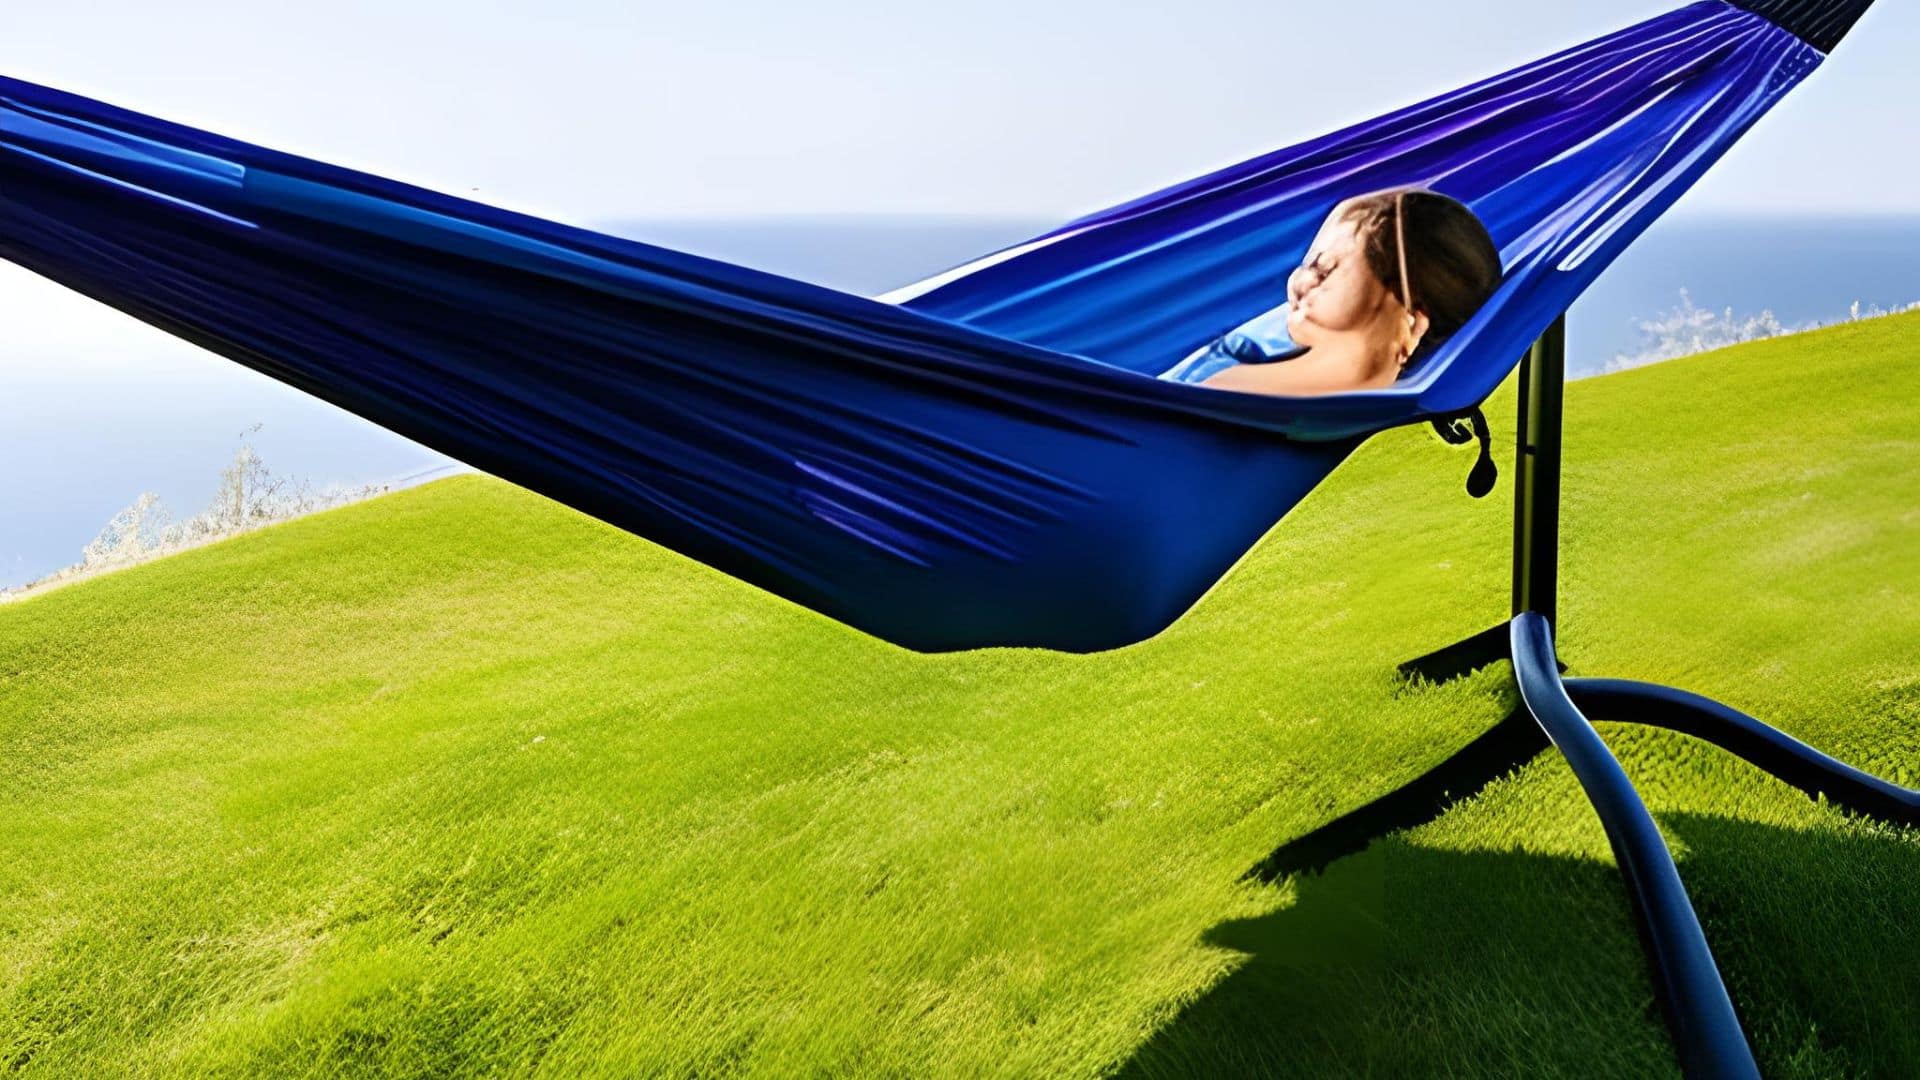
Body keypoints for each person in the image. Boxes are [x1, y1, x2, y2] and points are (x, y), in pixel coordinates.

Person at [1160, 187, 1503, 395]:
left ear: (1412, 321)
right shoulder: (1241, 359)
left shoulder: (1228, 379)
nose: (1299, 282)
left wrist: (1373, 360)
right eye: (1309, 265)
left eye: (1324, 271)